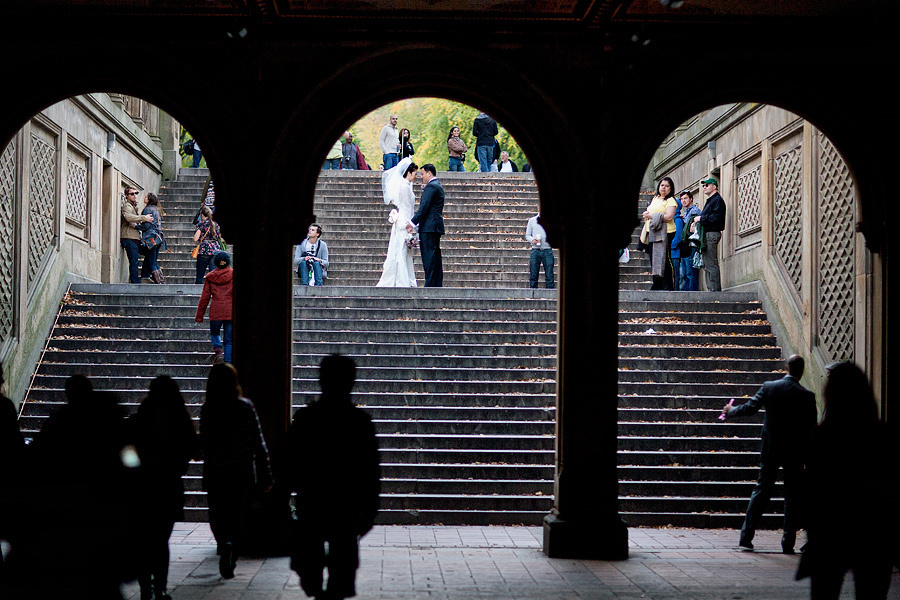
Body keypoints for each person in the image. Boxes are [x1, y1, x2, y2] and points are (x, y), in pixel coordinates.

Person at [797, 362, 900, 600]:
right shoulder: (883, 437)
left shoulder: (821, 438)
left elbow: (813, 489)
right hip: (874, 532)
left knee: (825, 592)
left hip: (831, 531)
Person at [287, 354, 380, 600]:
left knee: (310, 566)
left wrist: (283, 496)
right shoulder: (361, 422)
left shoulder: (306, 419)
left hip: (314, 501)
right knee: (341, 570)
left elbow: (289, 462)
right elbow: (371, 470)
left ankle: (317, 589)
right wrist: (370, 509)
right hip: (346, 504)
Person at [720, 354, 817, 554]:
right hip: (795, 453)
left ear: (786, 368)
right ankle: (787, 543)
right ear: (802, 371)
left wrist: (730, 410)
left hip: (771, 448)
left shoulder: (770, 387)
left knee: (761, 490)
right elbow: (811, 430)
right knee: (792, 496)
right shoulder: (807, 396)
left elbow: (749, 408)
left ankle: (746, 537)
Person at [128, 376, 199, 600]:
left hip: (142, 487)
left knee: (143, 540)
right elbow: (192, 450)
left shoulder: (140, 418)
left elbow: (127, 450)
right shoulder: (181, 419)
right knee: (161, 541)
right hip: (168, 486)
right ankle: (160, 587)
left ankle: (145, 588)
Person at [199, 363, 272, 580]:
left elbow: (204, 440)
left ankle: (224, 542)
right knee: (237, 513)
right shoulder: (245, 406)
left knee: (217, 512)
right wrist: (265, 473)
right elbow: (259, 443)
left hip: (216, 469)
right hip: (240, 470)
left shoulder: (208, 409)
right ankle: (232, 552)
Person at [376, 158, 418, 288]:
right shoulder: (404, 187)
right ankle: (402, 280)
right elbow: (406, 208)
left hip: (404, 220)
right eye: (415, 173)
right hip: (404, 221)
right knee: (402, 251)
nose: (416, 176)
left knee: (403, 251)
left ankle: (405, 279)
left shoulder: (406, 186)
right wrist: (409, 224)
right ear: (409, 173)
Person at [407, 163, 445, 287]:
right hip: (434, 226)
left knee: (429, 256)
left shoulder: (432, 187)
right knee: (434, 256)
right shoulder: (436, 186)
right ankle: (436, 283)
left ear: (429, 173)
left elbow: (424, 208)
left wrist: (412, 222)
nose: (421, 177)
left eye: (423, 174)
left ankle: (430, 283)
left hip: (429, 227)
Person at [195, 251, 234, 364]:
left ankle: (218, 351)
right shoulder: (233, 275)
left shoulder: (211, 277)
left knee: (215, 333)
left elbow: (205, 298)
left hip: (216, 310)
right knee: (229, 340)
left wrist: (199, 315)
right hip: (230, 310)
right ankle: (228, 362)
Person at [640, 177, 677, 290]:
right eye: (662, 185)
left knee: (664, 258)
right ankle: (657, 283)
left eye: (666, 186)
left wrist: (652, 216)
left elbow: (669, 217)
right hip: (652, 231)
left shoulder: (670, 201)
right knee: (654, 258)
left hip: (666, 232)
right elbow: (652, 210)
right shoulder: (655, 198)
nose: (664, 188)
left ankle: (668, 285)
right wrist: (647, 213)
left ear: (670, 189)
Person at [693, 176, 727, 291]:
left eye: (706, 185)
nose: (704, 187)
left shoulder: (717, 200)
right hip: (708, 234)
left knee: (711, 263)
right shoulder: (712, 201)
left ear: (714, 187)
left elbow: (716, 218)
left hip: (712, 234)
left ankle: (715, 290)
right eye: (703, 186)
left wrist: (701, 219)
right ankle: (711, 289)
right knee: (707, 264)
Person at [121, 186, 153, 284]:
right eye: (132, 194)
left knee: (149, 252)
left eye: (136, 193)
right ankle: (135, 282)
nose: (135, 195)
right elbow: (128, 217)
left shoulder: (133, 206)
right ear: (126, 195)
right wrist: (144, 218)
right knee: (134, 261)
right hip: (129, 238)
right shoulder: (127, 206)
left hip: (135, 238)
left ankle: (144, 275)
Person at [137, 192, 168, 284]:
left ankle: (159, 281)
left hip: (150, 239)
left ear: (149, 199)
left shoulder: (147, 209)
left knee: (152, 261)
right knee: (151, 258)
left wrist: (136, 226)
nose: (144, 198)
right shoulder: (156, 210)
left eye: (146, 197)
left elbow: (146, 225)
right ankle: (145, 276)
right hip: (157, 238)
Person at [193, 206, 222, 284]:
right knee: (213, 275)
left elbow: (195, 238)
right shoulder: (216, 224)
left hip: (204, 251)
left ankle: (199, 292)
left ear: (202, 215)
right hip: (215, 250)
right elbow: (221, 238)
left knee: (200, 275)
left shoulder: (201, 224)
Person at [679, 190, 701, 291]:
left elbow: (692, 229)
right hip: (685, 245)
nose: (683, 201)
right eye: (682, 199)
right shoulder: (687, 212)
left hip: (691, 244)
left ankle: (692, 294)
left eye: (685, 198)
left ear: (691, 199)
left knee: (690, 272)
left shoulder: (694, 211)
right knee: (684, 273)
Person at [526, 213, 554, 289]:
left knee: (549, 275)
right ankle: (533, 292)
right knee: (533, 274)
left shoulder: (551, 220)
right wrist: (532, 240)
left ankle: (550, 294)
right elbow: (527, 235)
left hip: (547, 249)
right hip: (535, 250)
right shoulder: (532, 220)